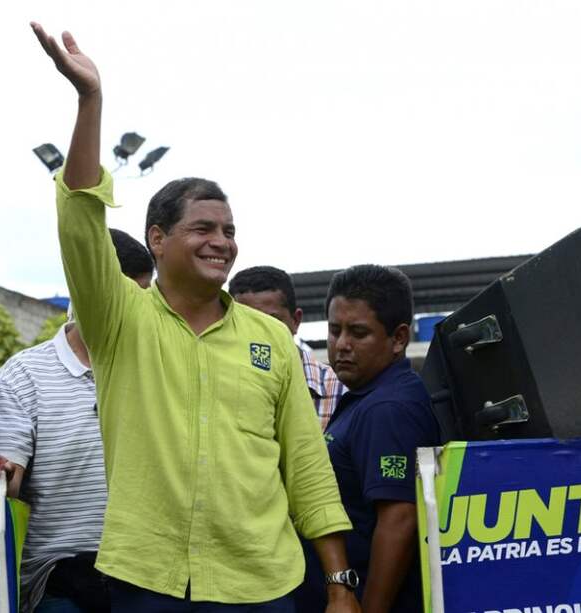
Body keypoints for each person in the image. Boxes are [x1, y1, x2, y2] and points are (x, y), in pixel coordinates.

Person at [30, 22, 361, 613]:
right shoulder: (118, 320)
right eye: (203, 229)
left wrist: (339, 584)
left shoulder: (271, 338)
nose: (222, 243)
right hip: (148, 583)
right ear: (156, 239)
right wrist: (90, 101)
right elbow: (79, 218)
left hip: (263, 584)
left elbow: (307, 467)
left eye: (230, 231)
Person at [0, 229, 154, 613]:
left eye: (142, 296)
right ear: (84, 289)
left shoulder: (157, 368)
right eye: (121, 294)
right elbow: (9, 477)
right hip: (60, 577)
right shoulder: (23, 375)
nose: (132, 308)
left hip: (147, 568)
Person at [298, 264, 440, 613]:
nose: (341, 345)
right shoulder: (367, 396)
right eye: (335, 330)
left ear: (399, 338)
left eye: (358, 333)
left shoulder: (389, 408)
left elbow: (399, 520)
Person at [229, 266, 346, 431]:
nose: (258, 336)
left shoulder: (342, 391)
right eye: (246, 324)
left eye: (272, 322)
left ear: (296, 321)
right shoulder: (220, 388)